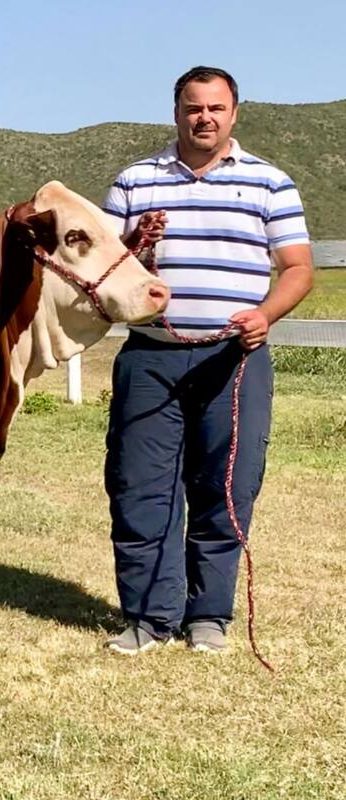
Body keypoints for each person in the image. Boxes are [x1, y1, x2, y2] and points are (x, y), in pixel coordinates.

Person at [101, 66, 314, 655]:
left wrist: (265, 315)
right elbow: (104, 269)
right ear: (176, 112)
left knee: (226, 488)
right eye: (194, 107)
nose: (205, 118)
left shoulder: (271, 182)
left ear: (234, 114)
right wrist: (136, 242)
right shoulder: (134, 181)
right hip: (151, 357)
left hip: (234, 360)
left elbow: (297, 268)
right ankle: (149, 617)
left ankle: (208, 617)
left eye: (216, 108)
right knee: (140, 487)